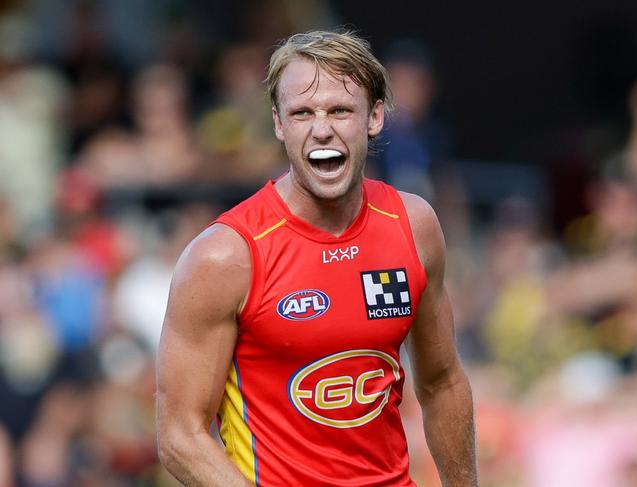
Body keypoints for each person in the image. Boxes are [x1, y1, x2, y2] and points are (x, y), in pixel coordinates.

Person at [156, 30, 477, 486]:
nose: (321, 128)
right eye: (302, 113)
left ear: (375, 116)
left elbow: (442, 383)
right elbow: (180, 436)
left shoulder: (412, 226)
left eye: (340, 110)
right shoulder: (226, 255)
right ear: (278, 124)